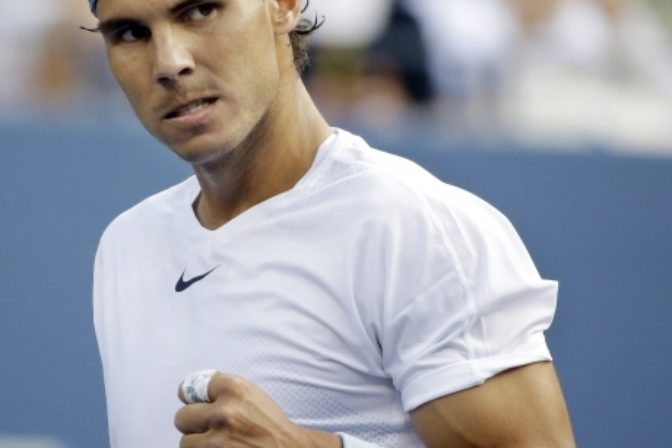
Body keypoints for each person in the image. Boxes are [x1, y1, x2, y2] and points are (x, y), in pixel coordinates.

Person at [87, 0, 576, 447]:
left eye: (200, 11)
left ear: (283, 6)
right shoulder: (126, 245)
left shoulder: (418, 228)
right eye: (129, 33)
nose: (169, 62)